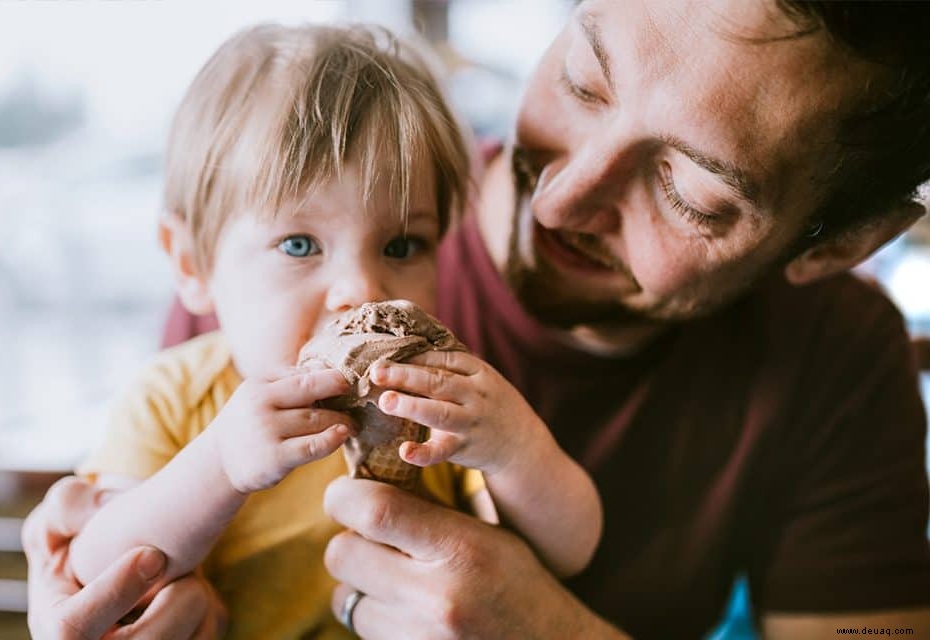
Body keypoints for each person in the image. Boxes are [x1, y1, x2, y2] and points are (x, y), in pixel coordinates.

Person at [25, 0, 930, 637]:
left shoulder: (839, 359)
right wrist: (101, 597)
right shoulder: (232, 329)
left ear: (840, 244)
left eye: (689, 193)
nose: (560, 203)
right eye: (584, 83)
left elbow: (572, 534)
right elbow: (113, 559)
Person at [50, 22, 601, 639]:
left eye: (401, 244)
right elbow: (96, 572)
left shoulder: (429, 401)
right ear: (191, 263)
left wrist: (512, 445)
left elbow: (573, 548)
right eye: (299, 244)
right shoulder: (176, 395)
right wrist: (221, 465)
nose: (362, 290)